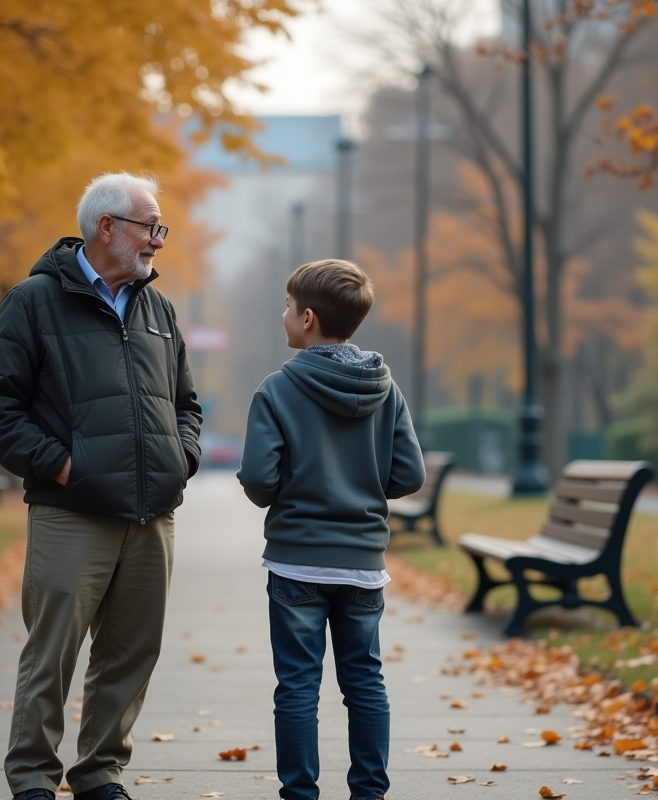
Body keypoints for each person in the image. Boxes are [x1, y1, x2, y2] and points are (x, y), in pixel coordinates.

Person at [0, 172, 202, 800]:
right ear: (107, 228)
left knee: (131, 653)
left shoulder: (158, 307)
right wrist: (61, 466)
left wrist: (181, 456)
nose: (158, 239)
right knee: (53, 654)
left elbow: (187, 403)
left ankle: (101, 773)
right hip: (71, 512)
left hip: (151, 515)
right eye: (150, 226)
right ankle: (33, 780)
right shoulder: (34, 300)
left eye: (160, 227)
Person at [236, 258, 425, 800]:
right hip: (363, 563)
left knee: (298, 684)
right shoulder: (385, 388)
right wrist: (360, 492)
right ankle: (369, 792)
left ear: (309, 318)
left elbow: (257, 476)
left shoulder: (278, 389)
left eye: (288, 307)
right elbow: (408, 473)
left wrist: (283, 496)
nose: (283, 315)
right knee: (365, 681)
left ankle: (300, 793)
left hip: (297, 560)